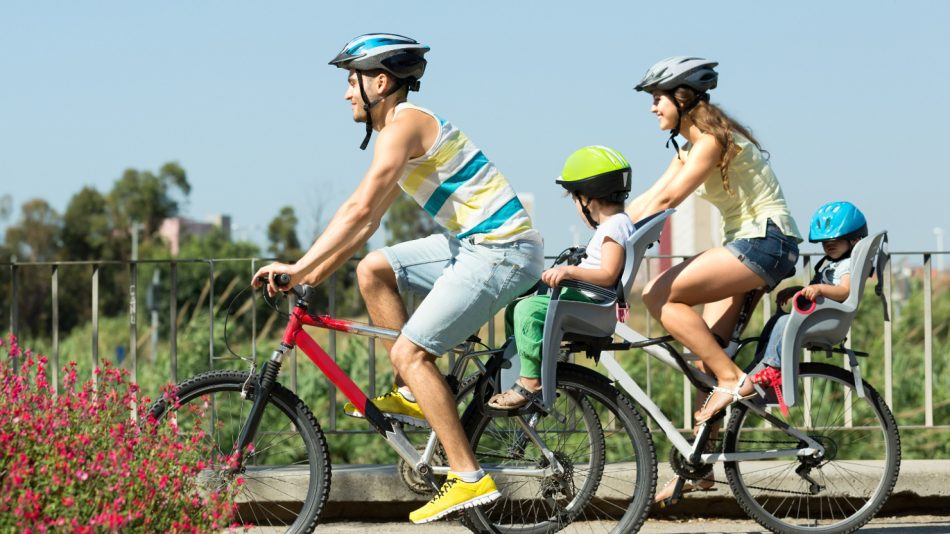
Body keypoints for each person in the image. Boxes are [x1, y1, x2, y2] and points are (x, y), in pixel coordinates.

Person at [252, 33, 544, 524]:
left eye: (352, 80)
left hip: (500, 251)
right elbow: (367, 226)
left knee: (411, 352)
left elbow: (359, 207)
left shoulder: (403, 127)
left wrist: (299, 266)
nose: (346, 92)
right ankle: (414, 391)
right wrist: (311, 277)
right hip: (477, 244)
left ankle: (468, 477)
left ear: (380, 82)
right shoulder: (400, 130)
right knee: (374, 269)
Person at [625, 56, 803, 503]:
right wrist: (608, 228)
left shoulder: (710, 140)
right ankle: (700, 467)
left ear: (682, 98)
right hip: (751, 245)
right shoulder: (688, 146)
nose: (652, 108)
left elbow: (669, 198)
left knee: (658, 295)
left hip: (764, 242)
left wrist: (614, 236)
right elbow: (650, 195)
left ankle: (734, 380)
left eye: (656, 98)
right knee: (707, 361)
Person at [487, 146, 635, 410]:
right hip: (587, 300)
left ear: (587, 197)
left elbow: (608, 274)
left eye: (575, 199)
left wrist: (568, 271)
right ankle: (524, 370)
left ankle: (530, 381)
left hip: (591, 304)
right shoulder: (618, 223)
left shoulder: (614, 226)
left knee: (527, 310)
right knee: (514, 311)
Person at [752, 201, 868, 408]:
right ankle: (760, 364)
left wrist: (820, 289)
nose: (828, 245)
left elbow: (844, 291)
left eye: (835, 239)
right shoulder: (833, 263)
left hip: (828, 318)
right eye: (824, 242)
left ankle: (773, 368)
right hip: (820, 315)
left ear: (853, 239)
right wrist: (798, 290)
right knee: (775, 322)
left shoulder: (846, 264)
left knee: (783, 323)